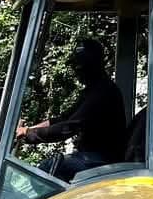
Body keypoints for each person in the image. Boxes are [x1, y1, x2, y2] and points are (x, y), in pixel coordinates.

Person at [18, 38, 128, 180]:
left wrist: (29, 133)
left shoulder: (103, 92)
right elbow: (64, 118)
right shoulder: (92, 90)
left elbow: (68, 127)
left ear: (92, 65)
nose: (76, 71)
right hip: (91, 156)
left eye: (80, 67)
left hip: (103, 160)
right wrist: (28, 129)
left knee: (48, 168)